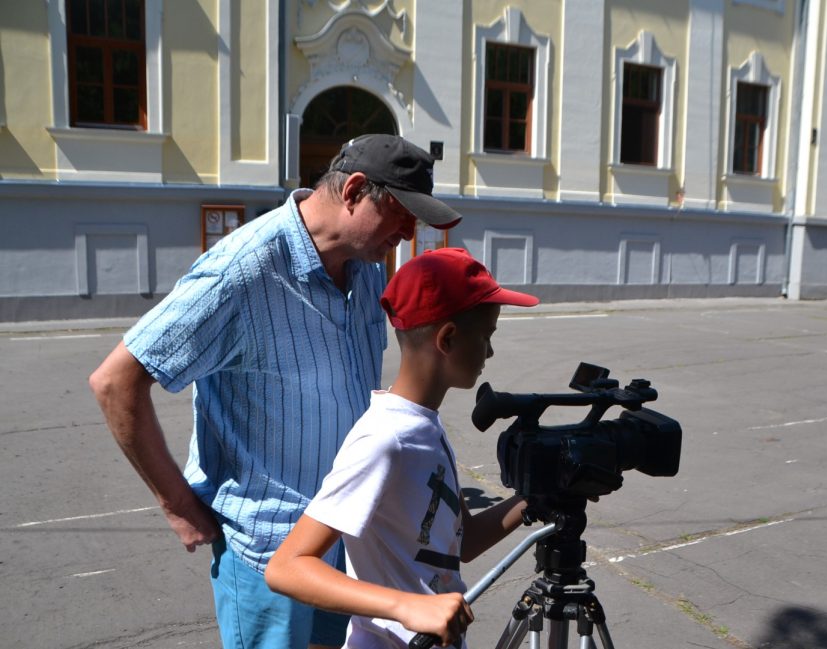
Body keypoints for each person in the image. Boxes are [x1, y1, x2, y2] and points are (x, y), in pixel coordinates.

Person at [88, 134, 462, 649]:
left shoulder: (367, 268)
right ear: (354, 191)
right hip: (267, 549)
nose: (409, 232)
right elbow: (115, 382)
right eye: (402, 214)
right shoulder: (243, 270)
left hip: (340, 543)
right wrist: (176, 503)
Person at [264, 247, 539, 649]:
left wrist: (536, 499)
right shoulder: (384, 439)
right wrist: (407, 607)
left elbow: (463, 543)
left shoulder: (425, 426)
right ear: (447, 338)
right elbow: (286, 568)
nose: (490, 351)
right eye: (486, 336)